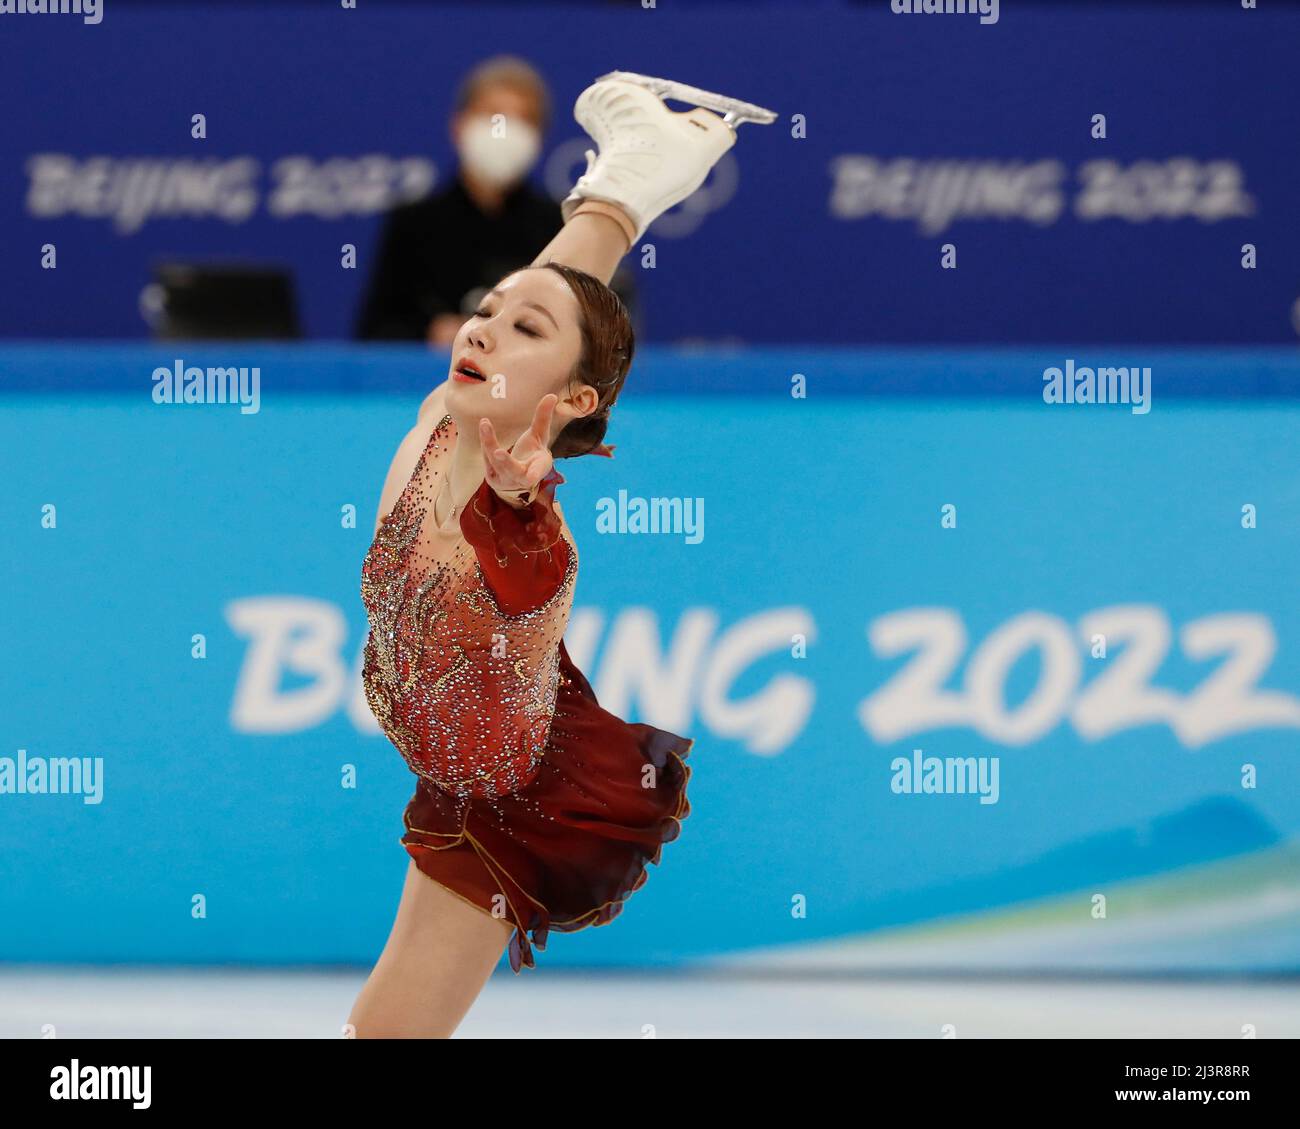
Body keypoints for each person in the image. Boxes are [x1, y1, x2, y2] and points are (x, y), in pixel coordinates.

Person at [348, 70, 773, 1038]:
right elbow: (533, 307)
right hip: (451, 760)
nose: (486, 325)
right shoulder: (438, 427)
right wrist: (612, 202)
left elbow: (526, 561)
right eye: (483, 310)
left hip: (505, 803)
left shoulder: (521, 506)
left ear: (573, 403)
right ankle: (634, 177)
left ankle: (632, 182)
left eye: (520, 332)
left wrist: (516, 505)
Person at [354, 55, 636, 346]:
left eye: (524, 119)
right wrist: (431, 333)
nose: (505, 130)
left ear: (540, 136)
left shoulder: (562, 226)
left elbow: (592, 339)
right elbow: (375, 332)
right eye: (493, 114)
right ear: (459, 124)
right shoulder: (414, 223)